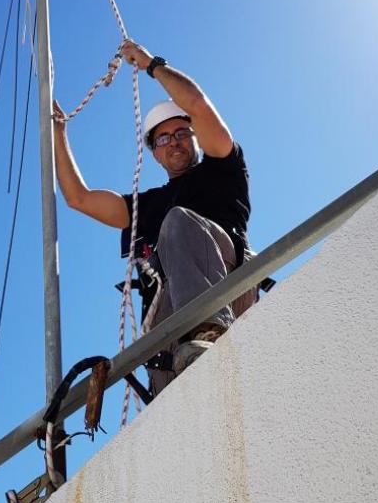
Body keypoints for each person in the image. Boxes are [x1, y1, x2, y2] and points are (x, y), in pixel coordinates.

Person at [53, 39, 255, 394]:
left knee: (177, 222)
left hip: (228, 288)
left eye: (181, 133)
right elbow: (79, 199)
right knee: (173, 409)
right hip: (170, 326)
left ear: (194, 138)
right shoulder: (148, 206)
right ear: (155, 154)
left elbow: (197, 104)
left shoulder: (222, 168)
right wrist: (58, 134)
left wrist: (152, 65)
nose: (173, 142)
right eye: (163, 139)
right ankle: (177, 374)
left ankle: (206, 329)